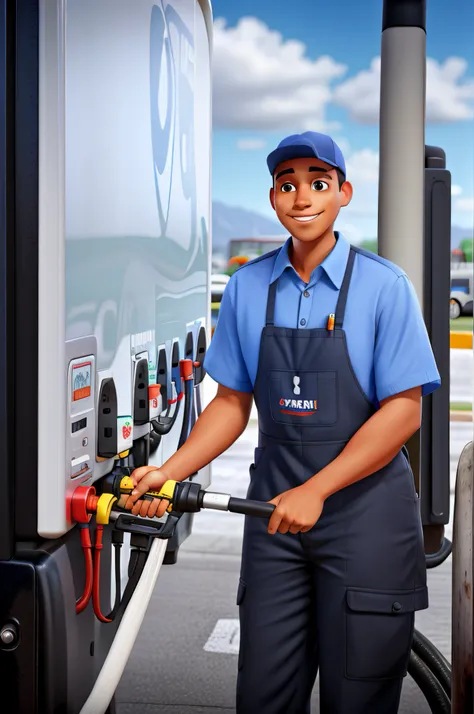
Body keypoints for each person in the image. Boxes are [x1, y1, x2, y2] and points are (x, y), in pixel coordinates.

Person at [124, 131, 441, 714]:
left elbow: (403, 411)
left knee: (359, 698)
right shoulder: (247, 287)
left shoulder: (383, 286)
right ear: (273, 198)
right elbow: (229, 404)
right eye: (287, 185)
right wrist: (167, 473)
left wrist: (318, 490)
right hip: (273, 518)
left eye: (318, 184)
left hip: (366, 522)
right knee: (265, 694)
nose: (302, 198)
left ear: (343, 193)